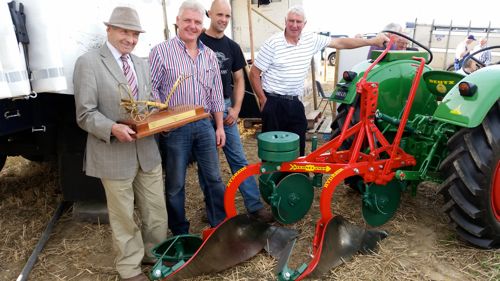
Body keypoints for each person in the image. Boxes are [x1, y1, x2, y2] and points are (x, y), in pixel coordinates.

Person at [73, 7, 167, 281]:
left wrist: (161, 118)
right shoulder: (88, 63)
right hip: (113, 154)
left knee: (156, 210)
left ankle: (155, 254)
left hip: (147, 151)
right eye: (125, 31)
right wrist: (112, 128)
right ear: (109, 30)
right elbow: (85, 114)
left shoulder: (141, 63)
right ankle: (130, 268)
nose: (131, 39)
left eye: (135, 33)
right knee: (123, 216)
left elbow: (145, 106)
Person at [249, 5, 387, 156]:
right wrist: (263, 99)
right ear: (285, 21)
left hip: (295, 102)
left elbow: (340, 43)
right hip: (273, 102)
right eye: (291, 21)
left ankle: (295, 177)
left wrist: (372, 41)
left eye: (298, 22)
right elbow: (254, 73)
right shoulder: (272, 43)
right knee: (272, 148)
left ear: (304, 24)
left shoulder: (311, 39)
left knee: (297, 146)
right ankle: (271, 178)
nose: (294, 25)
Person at [150, 0, 227, 236]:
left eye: (196, 22)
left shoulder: (210, 56)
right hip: (176, 127)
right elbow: (152, 90)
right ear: (177, 21)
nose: (192, 26)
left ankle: (219, 224)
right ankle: (180, 231)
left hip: (204, 123)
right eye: (187, 21)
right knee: (175, 184)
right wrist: (162, 122)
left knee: (213, 177)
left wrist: (220, 126)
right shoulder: (160, 52)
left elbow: (216, 93)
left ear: (202, 26)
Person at [199, 0, 273, 222]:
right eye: (219, 14)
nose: (223, 19)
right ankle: (212, 207)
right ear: (210, 14)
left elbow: (239, 79)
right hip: (200, 111)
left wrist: (236, 108)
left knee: (239, 159)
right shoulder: (198, 42)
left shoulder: (232, 47)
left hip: (224, 106)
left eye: (227, 16)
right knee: (207, 164)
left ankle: (254, 206)